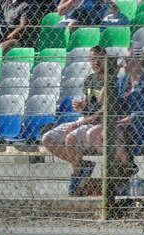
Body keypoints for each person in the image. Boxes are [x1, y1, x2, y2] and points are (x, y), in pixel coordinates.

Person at [41, 44, 105, 195]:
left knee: (70, 137)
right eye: (92, 59)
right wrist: (80, 106)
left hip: (97, 124)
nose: (96, 62)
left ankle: (76, 174)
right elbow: (87, 104)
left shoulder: (110, 80)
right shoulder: (89, 79)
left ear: (105, 60)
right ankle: (82, 165)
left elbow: (103, 111)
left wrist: (80, 122)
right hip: (84, 120)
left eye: (99, 59)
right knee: (47, 138)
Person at [112, 47, 144, 180]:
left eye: (127, 60)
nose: (124, 63)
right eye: (124, 60)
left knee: (114, 131)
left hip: (138, 125)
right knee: (111, 130)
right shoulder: (122, 82)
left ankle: (126, 166)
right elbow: (110, 102)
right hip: (120, 123)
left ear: (138, 63)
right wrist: (112, 74)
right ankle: (126, 166)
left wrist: (128, 119)